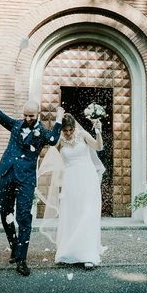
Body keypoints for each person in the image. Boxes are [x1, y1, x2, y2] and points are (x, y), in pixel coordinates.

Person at [0, 73, 64, 276]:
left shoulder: (44, 133)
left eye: (31, 116)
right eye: (26, 115)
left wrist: (58, 120)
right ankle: (14, 246)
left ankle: (22, 259)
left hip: (26, 180)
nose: (28, 119)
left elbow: (55, 140)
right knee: (5, 213)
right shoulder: (15, 125)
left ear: (38, 114)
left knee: (23, 217)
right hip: (7, 173)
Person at [42, 113, 105, 270]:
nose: (68, 133)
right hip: (70, 180)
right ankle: (68, 251)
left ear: (74, 127)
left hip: (87, 178)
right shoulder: (60, 141)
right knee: (71, 214)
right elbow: (50, 150)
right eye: (65, 131)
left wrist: (98, 132)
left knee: (87, 213)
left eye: (70, 130)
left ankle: (88, 254)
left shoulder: (82, 135)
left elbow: (99, 147)